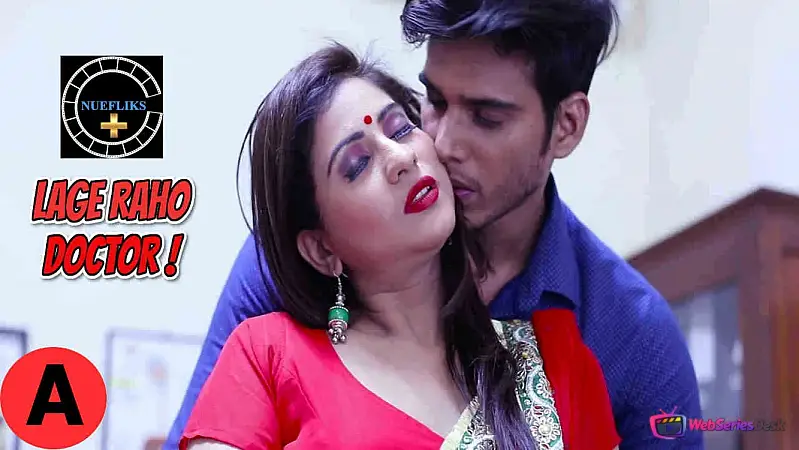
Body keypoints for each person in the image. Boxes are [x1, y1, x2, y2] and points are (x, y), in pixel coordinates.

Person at [167, 1, 703, 449]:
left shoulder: (625, 337)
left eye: (487, 118)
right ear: (322, 250)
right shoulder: (278, 296)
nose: (441, 144)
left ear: (566, 126)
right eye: (436, 103)